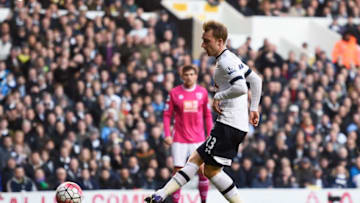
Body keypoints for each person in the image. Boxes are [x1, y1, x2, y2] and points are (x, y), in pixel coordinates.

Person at [145, 20, 262, 203]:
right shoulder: (231, 58)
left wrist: (218, 97)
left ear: (219, 41)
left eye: (207, 40)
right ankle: (161, 194)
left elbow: (241, 87)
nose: (203, 45)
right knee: (198, 161)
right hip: (235, 125)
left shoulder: (225, 61)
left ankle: (162, 194)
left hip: (228, 124)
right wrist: (253, 108)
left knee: (208, 170)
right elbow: (256, 81)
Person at [163, 64, 213, 203]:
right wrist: (167, 134)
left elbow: (207, 115)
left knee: (202, 171)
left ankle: (204, 200)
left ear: (196, 76)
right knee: (178, 172)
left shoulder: (202, 93)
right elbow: (167, 115)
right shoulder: (174, 92)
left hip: (198, 139)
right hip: (179, 139)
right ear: (182, 77)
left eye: (192, 74)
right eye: (186, 75)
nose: (189, 77)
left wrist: (210, 134)